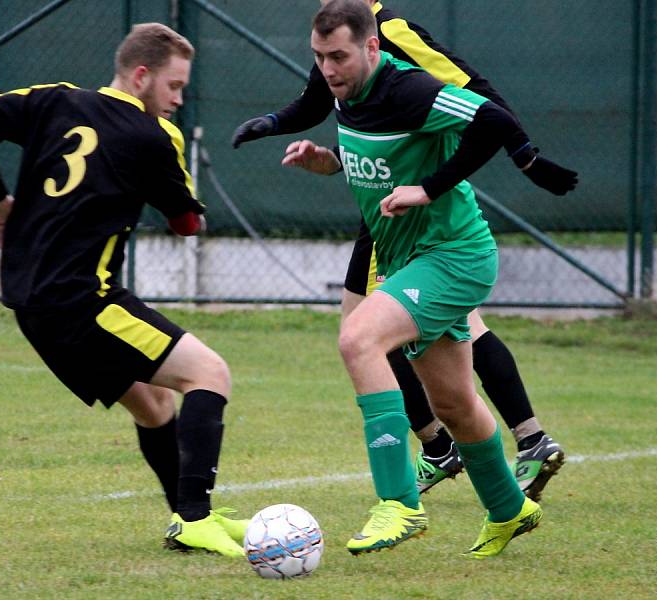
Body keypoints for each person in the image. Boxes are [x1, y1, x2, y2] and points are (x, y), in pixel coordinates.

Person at [232, 0, 571, 501]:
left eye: (336, 58)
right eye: (321, 57)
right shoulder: (339, 53)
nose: (328, 67)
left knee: (363, 336)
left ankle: (422, 477)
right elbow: (331, 117)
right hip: (388, 210)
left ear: (368, 46)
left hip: (421, 222)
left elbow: (476, 93)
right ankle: (511, 471)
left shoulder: (387, 36)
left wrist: (521, 155)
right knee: (445, 371)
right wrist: (279, 127)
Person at [0, 23, 247, 557]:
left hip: (31, 302)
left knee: (155, 403)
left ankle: (186, 519)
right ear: (141, 77)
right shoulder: (155, 135)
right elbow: (185, 223)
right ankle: (197, 517)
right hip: (83, 302)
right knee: (211, 373)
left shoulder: (52, 100)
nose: (178, 101)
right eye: (174, 87)